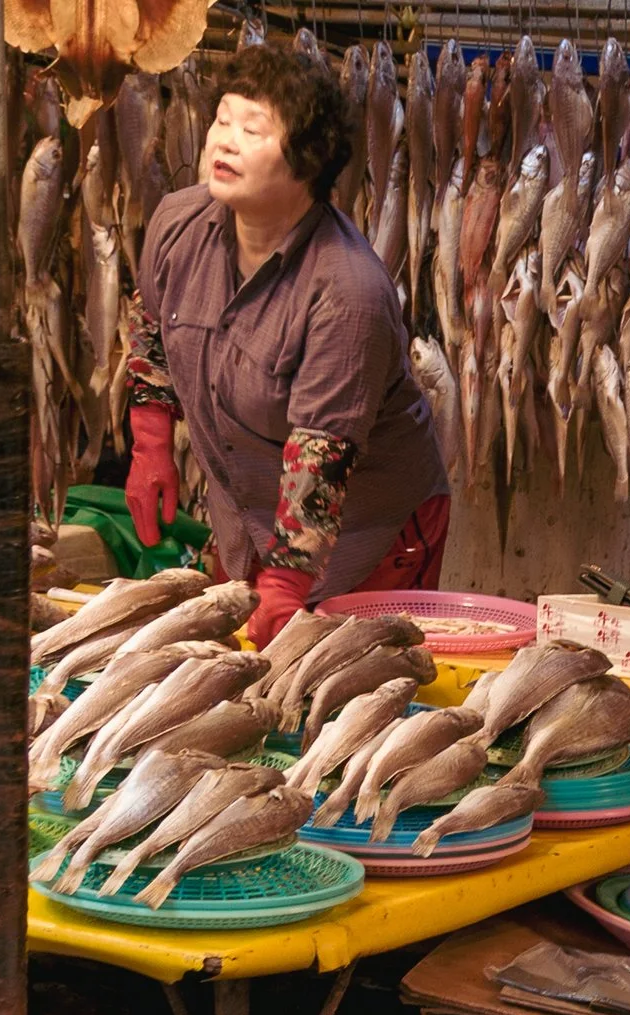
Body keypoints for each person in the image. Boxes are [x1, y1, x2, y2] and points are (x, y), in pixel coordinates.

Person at [126, 45, 449, 649]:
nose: (226, 141)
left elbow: (321, 455)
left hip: (367, 530)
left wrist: (284, 582)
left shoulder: (348, 289)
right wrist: (150, 439)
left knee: (341, 706)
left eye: (254, 129)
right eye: (222, 119)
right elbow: (152, 325)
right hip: (246, 517)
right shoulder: (176, 223)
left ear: (307, 160)